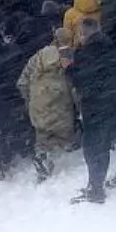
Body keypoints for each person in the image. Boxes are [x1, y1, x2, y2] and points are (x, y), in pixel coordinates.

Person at [65, 19, 116, 204]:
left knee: (91, 146)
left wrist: (69, 69)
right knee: (103, 144)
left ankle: (95, 188)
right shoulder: (112, 46)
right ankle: (97, 184)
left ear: (84, 33)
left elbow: (81, 79)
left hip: (94, 103)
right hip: (111, 101)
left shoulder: (85, 52)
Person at [17, 28, 76, 181]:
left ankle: (42, 155)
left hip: (38, 101)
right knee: (61, 132)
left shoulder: (37, 57)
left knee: (42, 132)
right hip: (60, 100)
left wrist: (29, 99)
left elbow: (22, 81)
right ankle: (52, 155)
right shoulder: (68, 56)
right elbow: (73, 84)